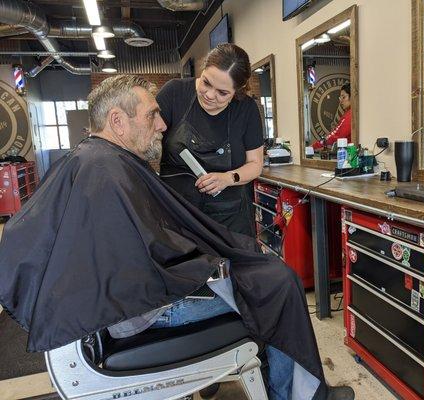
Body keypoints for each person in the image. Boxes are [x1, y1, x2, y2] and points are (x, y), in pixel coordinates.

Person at [0, 75, 354, 400]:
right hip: (146, 311)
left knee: (256, 272)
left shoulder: (94, 159)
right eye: (152, 116)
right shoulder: (104, 170)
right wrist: (206, 264)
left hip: (126, 304)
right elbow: (147, 255)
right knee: (279, 284)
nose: (163, 125)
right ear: (118, 122)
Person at [157, 43, 263, 237]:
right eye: (206, 83)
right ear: (202, 70)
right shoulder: (174, 93)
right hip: (179, 214)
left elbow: (256, 164)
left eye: (222, 93)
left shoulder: (246, 109)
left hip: (230, 218)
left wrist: (228, 178)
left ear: (237, 91)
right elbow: (146, 138)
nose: (209, 95)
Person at [312, 83, 352, 150]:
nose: (341, 101)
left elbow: (336, 136)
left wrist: (314, 146)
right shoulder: (347, 113)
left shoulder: (350, 115)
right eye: (340, 97)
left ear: (352, 96)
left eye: (344, 97)